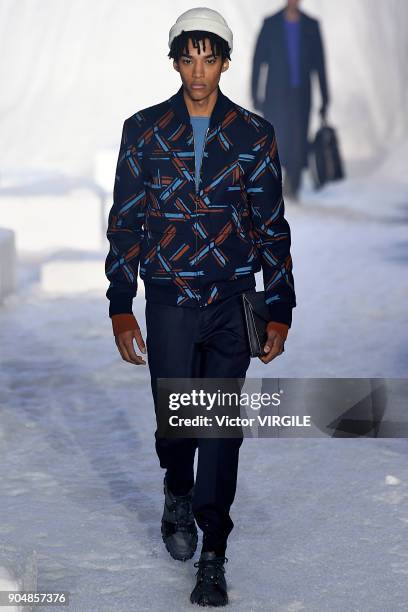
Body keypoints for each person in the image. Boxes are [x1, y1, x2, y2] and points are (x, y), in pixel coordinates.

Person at [104, 7, 296, 607]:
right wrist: (120, 303)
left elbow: (271, 225)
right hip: (167, 299)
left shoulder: (253, 133)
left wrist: (279, 306)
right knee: (175, 422)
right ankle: (176, 488)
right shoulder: (143, 130)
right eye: (187, 58)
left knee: (219, 431)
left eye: (208, 58)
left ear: (226, 61)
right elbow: (126, 224)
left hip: (232, 299)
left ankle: (213, 552)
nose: (197, 71)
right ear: (174, 61)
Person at [251, 0, 330, 201]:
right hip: (275, 95)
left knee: (299, 139)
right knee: (278, 138)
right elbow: (258, 60)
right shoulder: (271, 24)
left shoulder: (311, 26)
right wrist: (255, 93)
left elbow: (320, 64)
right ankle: (278, 181)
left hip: (301, 94)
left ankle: (294, 184)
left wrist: (325, 96)